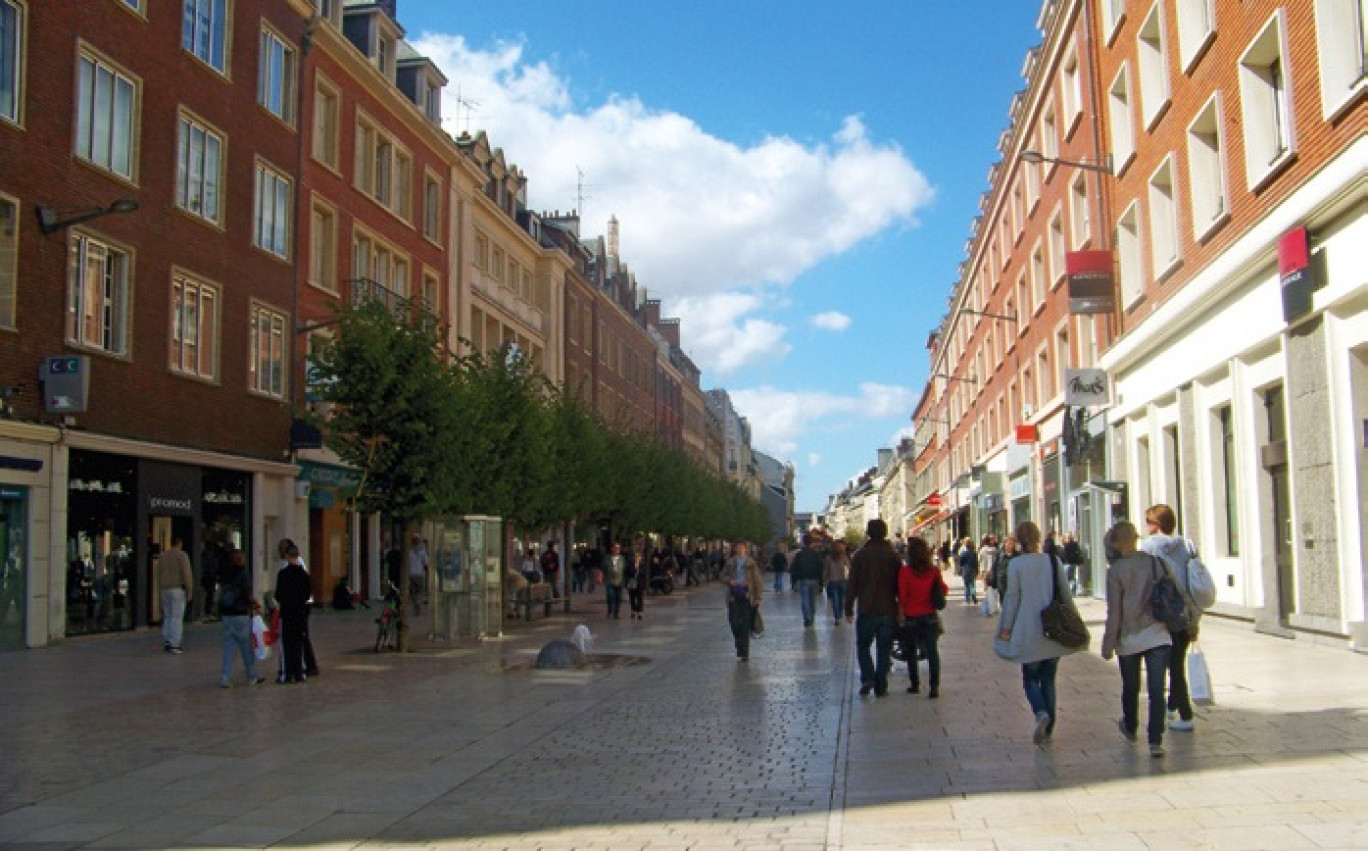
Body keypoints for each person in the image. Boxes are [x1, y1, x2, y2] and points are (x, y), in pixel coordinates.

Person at [995, 520, 1085, 745]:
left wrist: (1006, 628)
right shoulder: (1052, 561)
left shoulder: (1016, 565)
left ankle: (1040, 712)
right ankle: (1049, 727)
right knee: (1049, 679)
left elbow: (1012, 599)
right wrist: (1077, 624)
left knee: (1030, 677)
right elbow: (1065, 595)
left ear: (1018, 540)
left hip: (1029, 630)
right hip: (1053, 629)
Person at [1101, 521, 1172, 758]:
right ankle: (1155, 740)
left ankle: (1130, 727)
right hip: (1158, 633)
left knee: (1131, 687)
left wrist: (1108, 644)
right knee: (1156, 690)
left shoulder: (1115, 572)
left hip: (1129, 638)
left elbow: (1115, 612)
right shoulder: (1154, 562)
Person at [1140, 503, 1203, 733]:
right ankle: (1172, 705)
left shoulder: (1147, 548)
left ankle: (1185, 714)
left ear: (1156, 525)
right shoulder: (1186, 545)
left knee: (1171, 666)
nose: (1145, 526)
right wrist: (1195, 619)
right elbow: (1193, 582)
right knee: (1177, 661)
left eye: (1148, 522)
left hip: (1162, 614)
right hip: (1186, 612)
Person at [845, 518, 902, 697]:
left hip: (866, 608)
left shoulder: (860, 555)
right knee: (884, 648)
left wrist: (848, 608)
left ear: (868, 533)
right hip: (887, 609)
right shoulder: (893, 556)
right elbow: (900, 584)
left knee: (863, 645)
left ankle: (868, 678)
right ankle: (881, 684)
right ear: (885, 532)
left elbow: (852, 584)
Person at [897, 537, 949, 698]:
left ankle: (915, 683)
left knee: (911, 651)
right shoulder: (933, 571)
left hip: (911, 616)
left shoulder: (905, 572)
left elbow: (902, 596)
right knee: (932, 651)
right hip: (930, 616)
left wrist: (900, 615)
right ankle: (934, 686)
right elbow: (944, 590)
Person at [216, 548, 263, 688]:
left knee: (228, 648)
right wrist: (256, 605)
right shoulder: (243, 574)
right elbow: (247, 594)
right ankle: (251, 675)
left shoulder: (224, 574)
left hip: (226, 614)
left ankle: (225, 677)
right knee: (246, 647)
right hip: (240, 613)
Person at [274, 540, 312, 684]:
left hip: (287, 612)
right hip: (300, 612)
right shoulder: (304, 574)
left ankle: (287, 673)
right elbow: (308, 594)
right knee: (298, 642)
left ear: (288, 556)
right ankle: (299, 673)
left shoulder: (283, 574)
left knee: (286, 643)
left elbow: (278, 595)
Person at [725, 541, 763, 662]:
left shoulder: (751, 563)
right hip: (734, 597)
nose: (740, 549)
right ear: (735, 549)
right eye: (738, 547)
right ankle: (739, 644)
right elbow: (722, 576)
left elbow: (757, 581)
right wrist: (729, 581)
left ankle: (744, 652)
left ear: (745, 549)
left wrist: (758, 597)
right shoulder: (730, 562)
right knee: (734, 623)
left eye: (742, 548)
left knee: (745, 625)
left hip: (748, 597)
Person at [157, 536, 194, 654]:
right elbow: (186, 574)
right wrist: (189, 590)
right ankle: (175, 643)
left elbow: (158, 573)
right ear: (180, 543)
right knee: (177, 616)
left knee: (168, 615)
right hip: (177, 588)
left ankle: (167, 640)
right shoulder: (182, 556)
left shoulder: (163, 556)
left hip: (164, 588)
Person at [789, 533, 825, 627]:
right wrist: (821, 583)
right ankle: (811, 617)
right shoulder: (816, 554)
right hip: (814, 579)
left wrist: (794, 582)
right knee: (812, 600)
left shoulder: (799, 554)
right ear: (811, 542)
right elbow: (820, 568)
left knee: (805, 599)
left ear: (803, 542)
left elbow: (794, 568)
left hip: (803, 579)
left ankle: (807, 618)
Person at [823, 541, 850, 626]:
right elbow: (849, 569)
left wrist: (824, 581)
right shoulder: (844, 558)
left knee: (835, 600)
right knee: (841, 599)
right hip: (843, 581)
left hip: (832, 581)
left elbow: (826, 571)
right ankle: (840, 615)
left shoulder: (828, 558)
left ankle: (837, 617)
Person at [603, 542, 626, 619]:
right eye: (616, 548)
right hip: (610, 580)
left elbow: (625, 568)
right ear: (612, 549)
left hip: (619, 581)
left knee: (619, 598)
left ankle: (616, 613)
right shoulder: (607, 558)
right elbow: (604, 567)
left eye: (618, 548)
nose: (617, 550)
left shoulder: (622, 558)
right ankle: (610, 610)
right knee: (610, 596)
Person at [408, 534, 429, 614]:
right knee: (420, 591)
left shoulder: (409, 551)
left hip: (411, 573)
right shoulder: (422, 551)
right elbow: (426, 563)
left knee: (413, 592)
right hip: (420, 573)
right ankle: (418, 602)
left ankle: (415, 603)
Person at [625, 545, 646, 620]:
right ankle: (633, 610)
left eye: (638, 556)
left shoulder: (642, 564)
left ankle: (640, 612)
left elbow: (644, 574)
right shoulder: (630, 564)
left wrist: (638, 569)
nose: (637, 558)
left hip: (640, 583)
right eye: (636, 556)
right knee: (632, 597)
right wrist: (627, 583)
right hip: (632, 583)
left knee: (640, 598)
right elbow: (626, 573)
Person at [957, 537, 980, 605]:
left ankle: (967, 599)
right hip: (972, 570)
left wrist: (961, 569)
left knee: (966, 585)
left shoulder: (964, 553)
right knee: (972, 584)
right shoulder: (974, 553)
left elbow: (961, 562)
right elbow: (976, 562)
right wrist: (977, 570)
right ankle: (974, 597)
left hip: (965, 570)